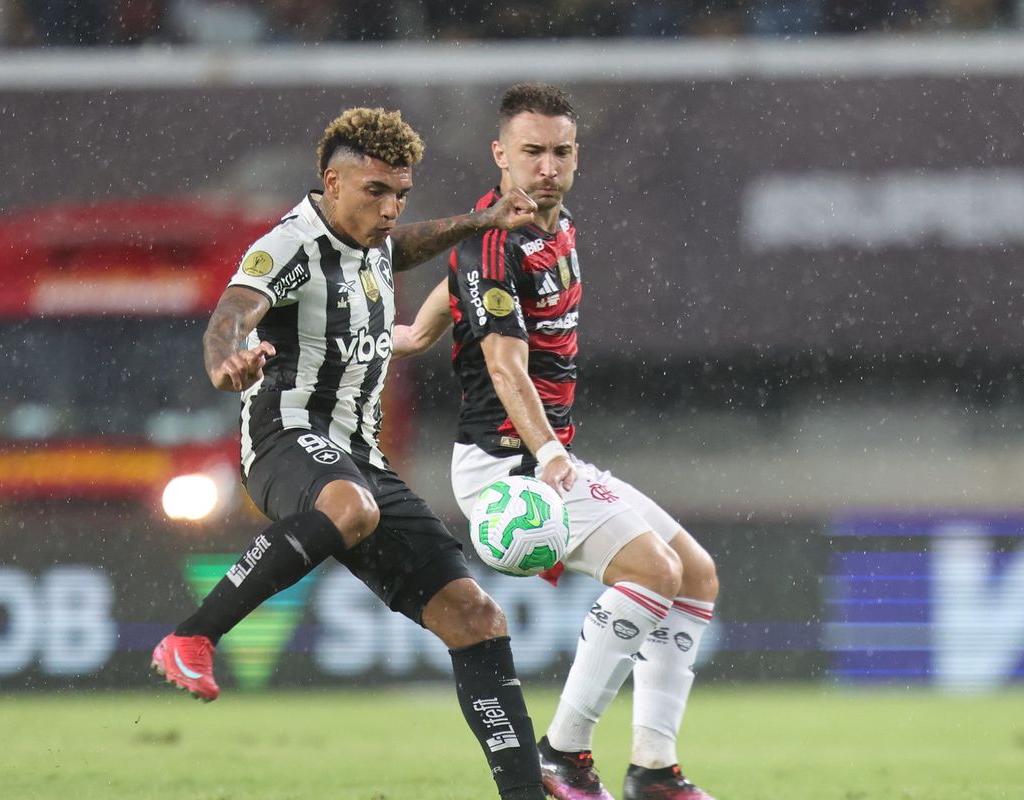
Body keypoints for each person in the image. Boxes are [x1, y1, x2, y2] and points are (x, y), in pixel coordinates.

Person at [151, 106, 548, 800]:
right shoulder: (290, 245)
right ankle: (192, 637)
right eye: (376, 192)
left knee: (476, 617)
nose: (391, 209)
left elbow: (404, 246)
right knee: (350, 506)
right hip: (284, 439)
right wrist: (224, 360)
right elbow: (233, 310)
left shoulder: (373, 240)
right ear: (331, 183)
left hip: (361, 458)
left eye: (401, 194)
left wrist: (481, 221)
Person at [391, 83, 720, 800]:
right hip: (507, 465)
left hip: (542, 452)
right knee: (653, 572)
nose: (547, 167)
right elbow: (506, 369)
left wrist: (412, 334)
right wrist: (550, 456)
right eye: (532, 151)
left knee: (695, 574)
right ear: (500, 154)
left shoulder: (554, 223)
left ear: (576, 155)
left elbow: (448, 297)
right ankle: (563, 754)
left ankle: (654, 770)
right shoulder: (492, 242)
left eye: (560, 152)